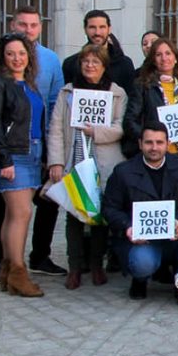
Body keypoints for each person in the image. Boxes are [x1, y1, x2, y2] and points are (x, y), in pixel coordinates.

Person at [0, 6, 66, 281]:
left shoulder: (48, 59)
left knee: (45, 203)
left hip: (36, 147)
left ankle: (39, 257)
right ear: (12, 25)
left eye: (34, 25)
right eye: (22, 24)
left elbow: (52, 103)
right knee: (2, 206)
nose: (28, 30)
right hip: (4, 148)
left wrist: (51, 148)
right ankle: (1, 263)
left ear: (40, 28)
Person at [47, 44, 129, 290]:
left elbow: (120, 127)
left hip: (105, 162)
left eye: (95, 62)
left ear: (104, 66)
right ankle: (74, 266)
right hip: (75, 159)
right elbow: (56, 128)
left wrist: (96, 132)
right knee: (74, 214)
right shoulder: (68, 93)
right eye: (86, 62)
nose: (90, 66)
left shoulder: (117, 93)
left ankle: (96, 264)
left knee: (100, 216)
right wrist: (56, 162)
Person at [102, 122, 178, 301]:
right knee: (143, 264)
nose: (154, 148)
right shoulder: (123, 171)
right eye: (149, 142)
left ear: (168, 143)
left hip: (174, 235)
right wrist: (128, 227)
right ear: (140, 144)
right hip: (141, 240)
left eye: (159, 142)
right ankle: (140, 279)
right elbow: (109, 208)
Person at [0, 34, 47, 297]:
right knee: (22, 214)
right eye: (10, 54)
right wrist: (5, 160)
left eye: (21, 53)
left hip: (32, 152)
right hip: (13, 155)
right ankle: (19, 273)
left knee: (14, 215)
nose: (17, 58)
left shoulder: (30, 85)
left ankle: (9, 270)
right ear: (2, 58)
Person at [125, 38, 178, 155]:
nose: (164, 58)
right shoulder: (142, 85)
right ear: (153, 60)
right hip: (152, 153)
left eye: (168, 53)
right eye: (158, 54)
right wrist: (148, 139)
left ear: (175, 58)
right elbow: (130, 121)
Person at [60, 9, 136, 91]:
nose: (97, 32)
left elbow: (130, 97)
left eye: (102, 27)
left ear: (109, 29)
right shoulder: (70, 63)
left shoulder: (124, 64)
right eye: (92, 27)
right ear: (85, 29)